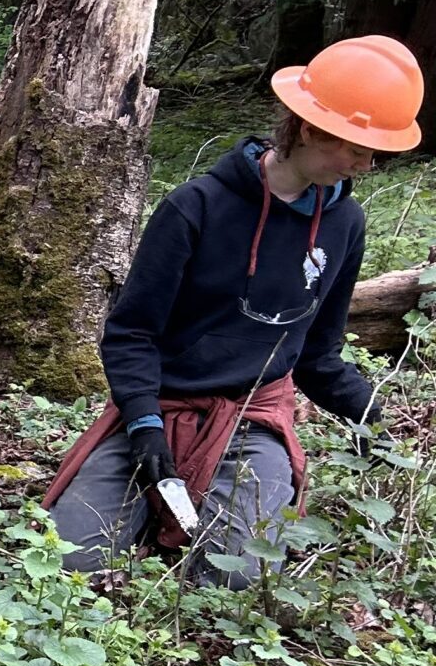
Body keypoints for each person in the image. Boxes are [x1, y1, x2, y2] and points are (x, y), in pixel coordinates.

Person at [44, 35, 420, 585]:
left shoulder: (346, 225)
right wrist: (144, 426)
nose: (367, 164)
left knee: (236, 578)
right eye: (357, 148)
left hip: (253, 419)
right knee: (67, 561)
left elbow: (317, 355)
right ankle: (152, 506)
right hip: (160, 410)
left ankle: (187, 516)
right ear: (311, 129)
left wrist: (371, 418)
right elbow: (131, 333)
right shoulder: (194, 208)